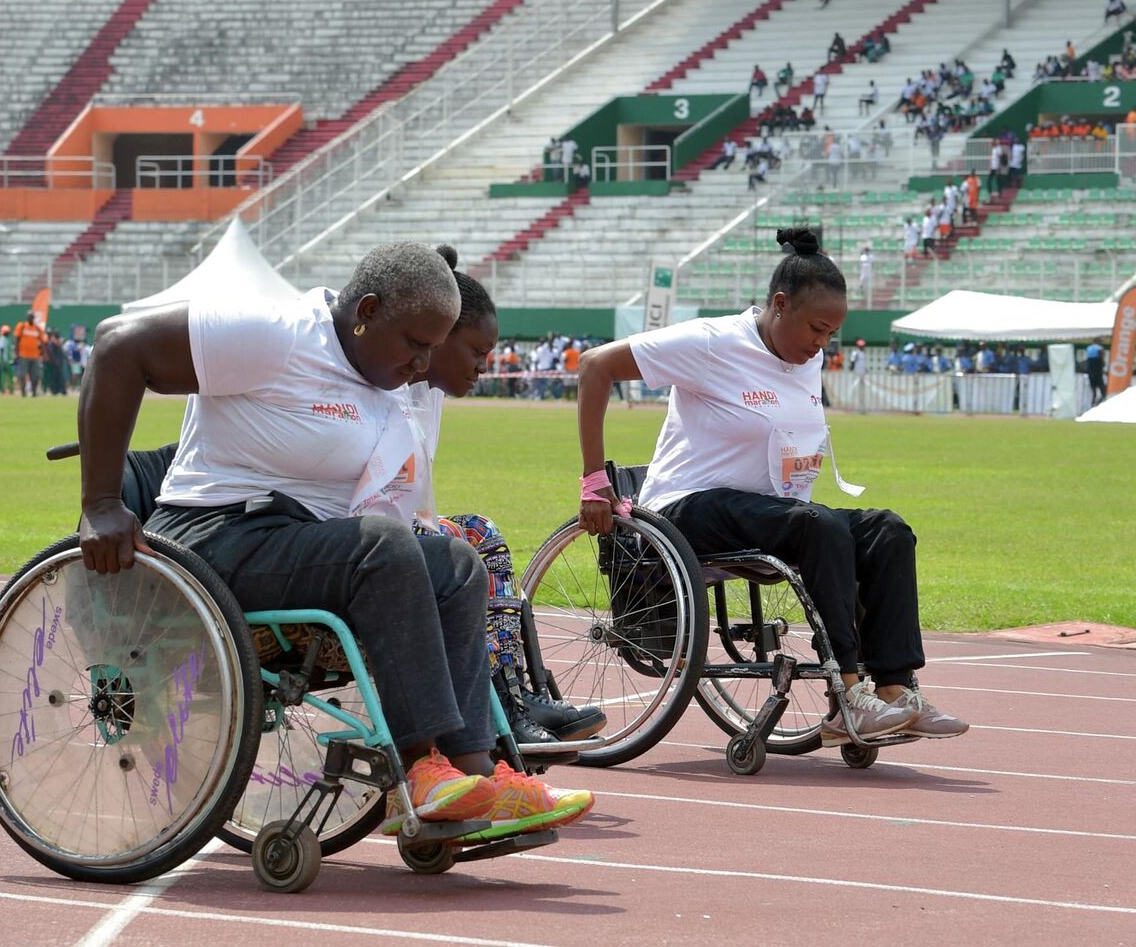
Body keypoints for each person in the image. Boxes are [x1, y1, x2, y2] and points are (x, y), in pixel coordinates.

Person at [76, 242, 594, 844]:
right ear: (366, 311)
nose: (424, 365)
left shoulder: (387, 383)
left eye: (433, 348)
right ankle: (419, 772)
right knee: (383, 547)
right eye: (415, 345)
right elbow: (118, 346)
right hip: (213, 535)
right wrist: (102, 504)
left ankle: (474, 775)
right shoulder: (277, 335)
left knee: (456, 561)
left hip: (301, 544)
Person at [572, 229, 967, 745]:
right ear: (780, 305)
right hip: (686, 509)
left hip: (773, 514)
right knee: (818, 525)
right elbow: (595, 365)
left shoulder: (807, 354)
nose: (822, 344)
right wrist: (594, 480)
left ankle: (895, 690)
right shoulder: (712, 343)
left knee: (888, 531)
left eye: (831, 335)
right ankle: (848, 695)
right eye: (816, 330)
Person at [387, 248, 609, 746]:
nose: (483, 368)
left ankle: (512, 691)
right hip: (369, 535)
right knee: (468, 540)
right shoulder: (390, 388)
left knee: (481, 531)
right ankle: (504, 702)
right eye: (476, 354)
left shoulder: (429, 393)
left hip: (403, 527)